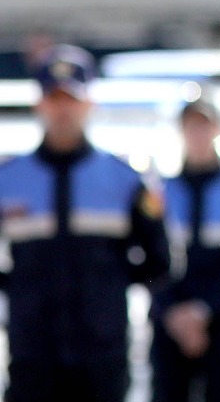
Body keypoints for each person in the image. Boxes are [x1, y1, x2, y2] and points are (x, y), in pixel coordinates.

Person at [0, 45, 170, 402]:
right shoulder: (9, 180)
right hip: (33, 352)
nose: (63, 111)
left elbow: (161, 261)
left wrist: (109, 286)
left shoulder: (125, 179)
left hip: (102, 353)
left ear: (89, 104)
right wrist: (18, 290)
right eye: (54, 100)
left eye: (72, 101)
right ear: (39, 105)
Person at [151, 97, 220, 402]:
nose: (198, 134)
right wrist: (174, 310)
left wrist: (202, 310)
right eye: (191, 126)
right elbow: (149, 257)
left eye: (205, 126)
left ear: (218, 129)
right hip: (171, 316)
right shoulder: (159, 189)